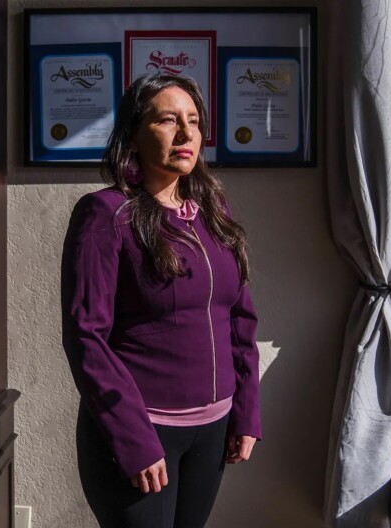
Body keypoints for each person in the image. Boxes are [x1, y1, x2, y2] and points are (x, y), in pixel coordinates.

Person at [61, 74, 261, 528]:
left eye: (193, 121)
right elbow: (86, 337)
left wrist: (246, 411)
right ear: (134, 133)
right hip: (143, 431)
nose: (187, 134)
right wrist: (134, 439)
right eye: (169, 120)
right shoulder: (105, 215)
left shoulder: (212, 211)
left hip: (212, 431)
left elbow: (240, 316)